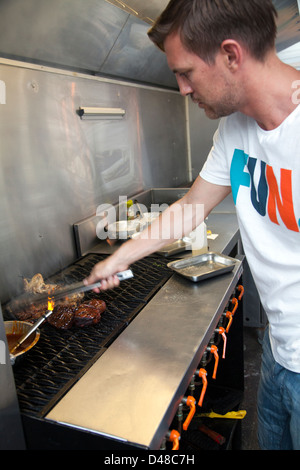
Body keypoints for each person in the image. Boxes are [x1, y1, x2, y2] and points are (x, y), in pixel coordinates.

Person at [84, 0, 300, 450]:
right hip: (281, 355)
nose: (183, 89)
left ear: (230, 55)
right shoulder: (235, 131)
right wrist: (115, 262)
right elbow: (190, 208)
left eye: (186, 73)